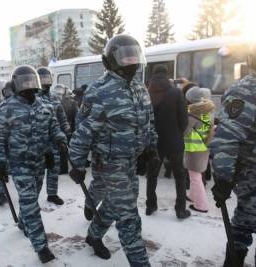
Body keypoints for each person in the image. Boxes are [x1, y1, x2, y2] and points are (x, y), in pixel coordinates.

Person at [69, 34, 157, 267]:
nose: (131, 62)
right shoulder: (99, 91)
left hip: (130, 161)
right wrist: (76, 163)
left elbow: (149, 121)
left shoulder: (139, 88)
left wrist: (151, 147)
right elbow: (83, 131)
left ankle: (94, 234)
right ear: (109, 61)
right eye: (125, 57)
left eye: (134, 57)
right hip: (108, 164)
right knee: (128, 217)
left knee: (112, 204)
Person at [211, 30, 256, 266]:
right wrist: (223, 179)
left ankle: (232, 260)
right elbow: (227, 138)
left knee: (244, 220)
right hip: (252, 174)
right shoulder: (248, 89)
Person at [0, 65, 67, 263]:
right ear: (16, 85)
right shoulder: (5, 109)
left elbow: (53, 128)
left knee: (33, 197)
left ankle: (24, 223)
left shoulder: (45, 105)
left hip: (39, 162)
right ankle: (41, 246)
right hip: (20, 164)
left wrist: (60, 141)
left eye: (32, 82)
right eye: (24, 82)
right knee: (30, 203)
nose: (29, 86)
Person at [145, 65, 191, 218]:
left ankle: (150, 206)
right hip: (174, 139)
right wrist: (177, 132)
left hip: (153, 140)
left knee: (152, 174)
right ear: (167, 76)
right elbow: (184, 119)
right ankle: (180, 209)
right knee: (180, 175)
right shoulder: (176, 92)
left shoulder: (147, 93)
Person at [37, 66, 71, 205]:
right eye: (42, 79)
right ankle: (32, 199)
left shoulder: (55, 98)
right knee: (37, 173)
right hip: (38, 142)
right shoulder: (32, 98)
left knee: (54, 169)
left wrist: (67, 130)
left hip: (54, 141)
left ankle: (52, 194)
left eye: (47, 78)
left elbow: (62, 117)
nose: (46, 82)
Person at [184, 86, 214, 213]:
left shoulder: (192, 114)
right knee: (195, 175)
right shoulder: (207, 110)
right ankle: (192, 196)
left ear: (190, 99)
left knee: (195, 177)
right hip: (204, 146)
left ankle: (201, 205)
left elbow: (185, 132)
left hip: (195, 148)